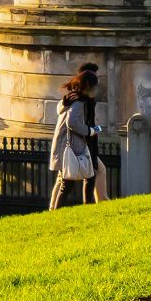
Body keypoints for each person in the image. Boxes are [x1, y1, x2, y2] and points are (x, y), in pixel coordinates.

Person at [47, 64, 102, 208]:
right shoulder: (79, 102)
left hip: (70, 145)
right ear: (88, 86)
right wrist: (90, 131)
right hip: (72, 146)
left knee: (87, 176)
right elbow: (72, 122)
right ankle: (64, 211)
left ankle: (86, 206)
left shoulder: (72, 98)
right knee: (69, 183)